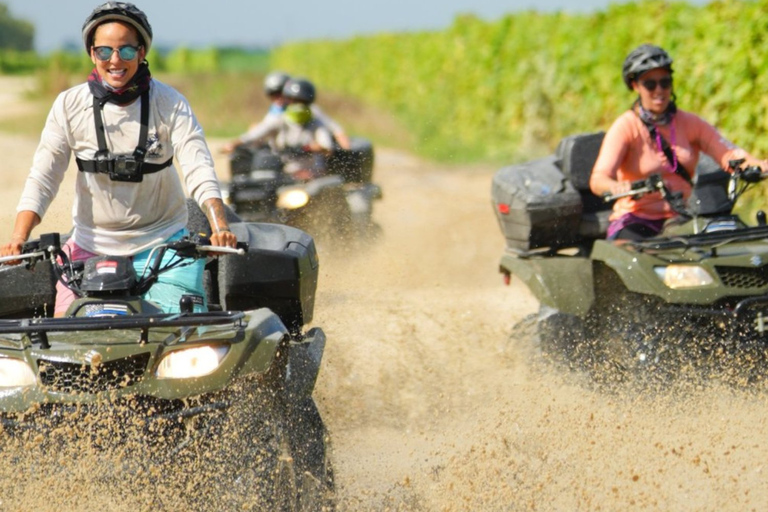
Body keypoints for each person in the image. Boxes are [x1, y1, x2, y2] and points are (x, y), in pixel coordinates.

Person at [0, 1, 237, 316]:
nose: (115, 61)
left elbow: (198, 168)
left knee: (182, 333)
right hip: (89, 247)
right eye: (104, 52)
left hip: (164, 245)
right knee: (65, 335)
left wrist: (219, 225)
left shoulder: (170, 103)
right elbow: (44, 177)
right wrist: (18, 237)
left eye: (126, 51)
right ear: (91, 53)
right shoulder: (68, 106)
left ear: (141, 53)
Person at [589, 44, 767, 240]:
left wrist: (757, 165)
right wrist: (616, 187)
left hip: (684, 218)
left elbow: (728, 154)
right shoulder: (625, 126)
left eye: (665, 83)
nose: (659, 90)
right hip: (637, 219)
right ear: (635, 85)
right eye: (650, 84)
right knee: (628, 257)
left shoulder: (690, 123)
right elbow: (599, 178)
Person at [223, 77, 336, 180]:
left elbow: (327, 148)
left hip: (311, 175)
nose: (298, 106)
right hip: (283, 174)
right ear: (287, 101)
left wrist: (313, 148)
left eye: (302, 102)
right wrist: (233, 144)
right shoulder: (279, 121)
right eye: (294, 101)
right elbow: (253, 136)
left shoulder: (316, 123)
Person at [260, 70, 351, 150]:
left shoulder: (311, 111)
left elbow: (335, 129)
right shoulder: (275, 111)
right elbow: (263, 129)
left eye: (281, 94)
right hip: (282, 154)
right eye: (274, 95)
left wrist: (346, 151)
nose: (278, 99)